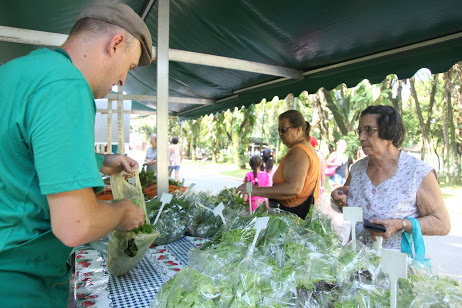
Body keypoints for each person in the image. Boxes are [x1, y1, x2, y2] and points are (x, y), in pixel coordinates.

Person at [0, 2, 152, 306]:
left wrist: (101, 162)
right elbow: (75, 225)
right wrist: (123, 211)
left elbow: (21, 156)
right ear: (116, 44)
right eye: (129, 67)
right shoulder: (66, 84)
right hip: (18, 280)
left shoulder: (17, 71)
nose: (123, 80)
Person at [331, 105, 450, 250]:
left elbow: (442, 223)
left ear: (389, 133)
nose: (361, 138)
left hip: (396, 266)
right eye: (360, 131)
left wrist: (401, 224)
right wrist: (340, 201)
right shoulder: (357, 170)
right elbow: (350, 211)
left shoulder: (417, 172)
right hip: (357, 263)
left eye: (369, 130)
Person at [237, 110, 320, 219]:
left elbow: (294, 188)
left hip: (292, 217)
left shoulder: (299, 151)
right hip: (296, 216)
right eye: (279, 130)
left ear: (298, 129)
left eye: (283, 130)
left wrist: (255, 190)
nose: (280, 134)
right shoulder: (307, 148)